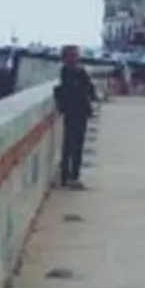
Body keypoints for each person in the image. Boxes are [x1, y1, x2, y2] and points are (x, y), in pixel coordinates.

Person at [52, 45, 98, 187]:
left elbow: (88, 88)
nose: (75, 58)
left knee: (76, 144)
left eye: (75, 55)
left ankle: (71, 175)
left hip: (79, 111)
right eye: (72, 55)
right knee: (72, 145)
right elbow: (81, 89)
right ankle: (69, 176)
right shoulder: (69, 72)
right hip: (74, 111)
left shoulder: (77, 71)